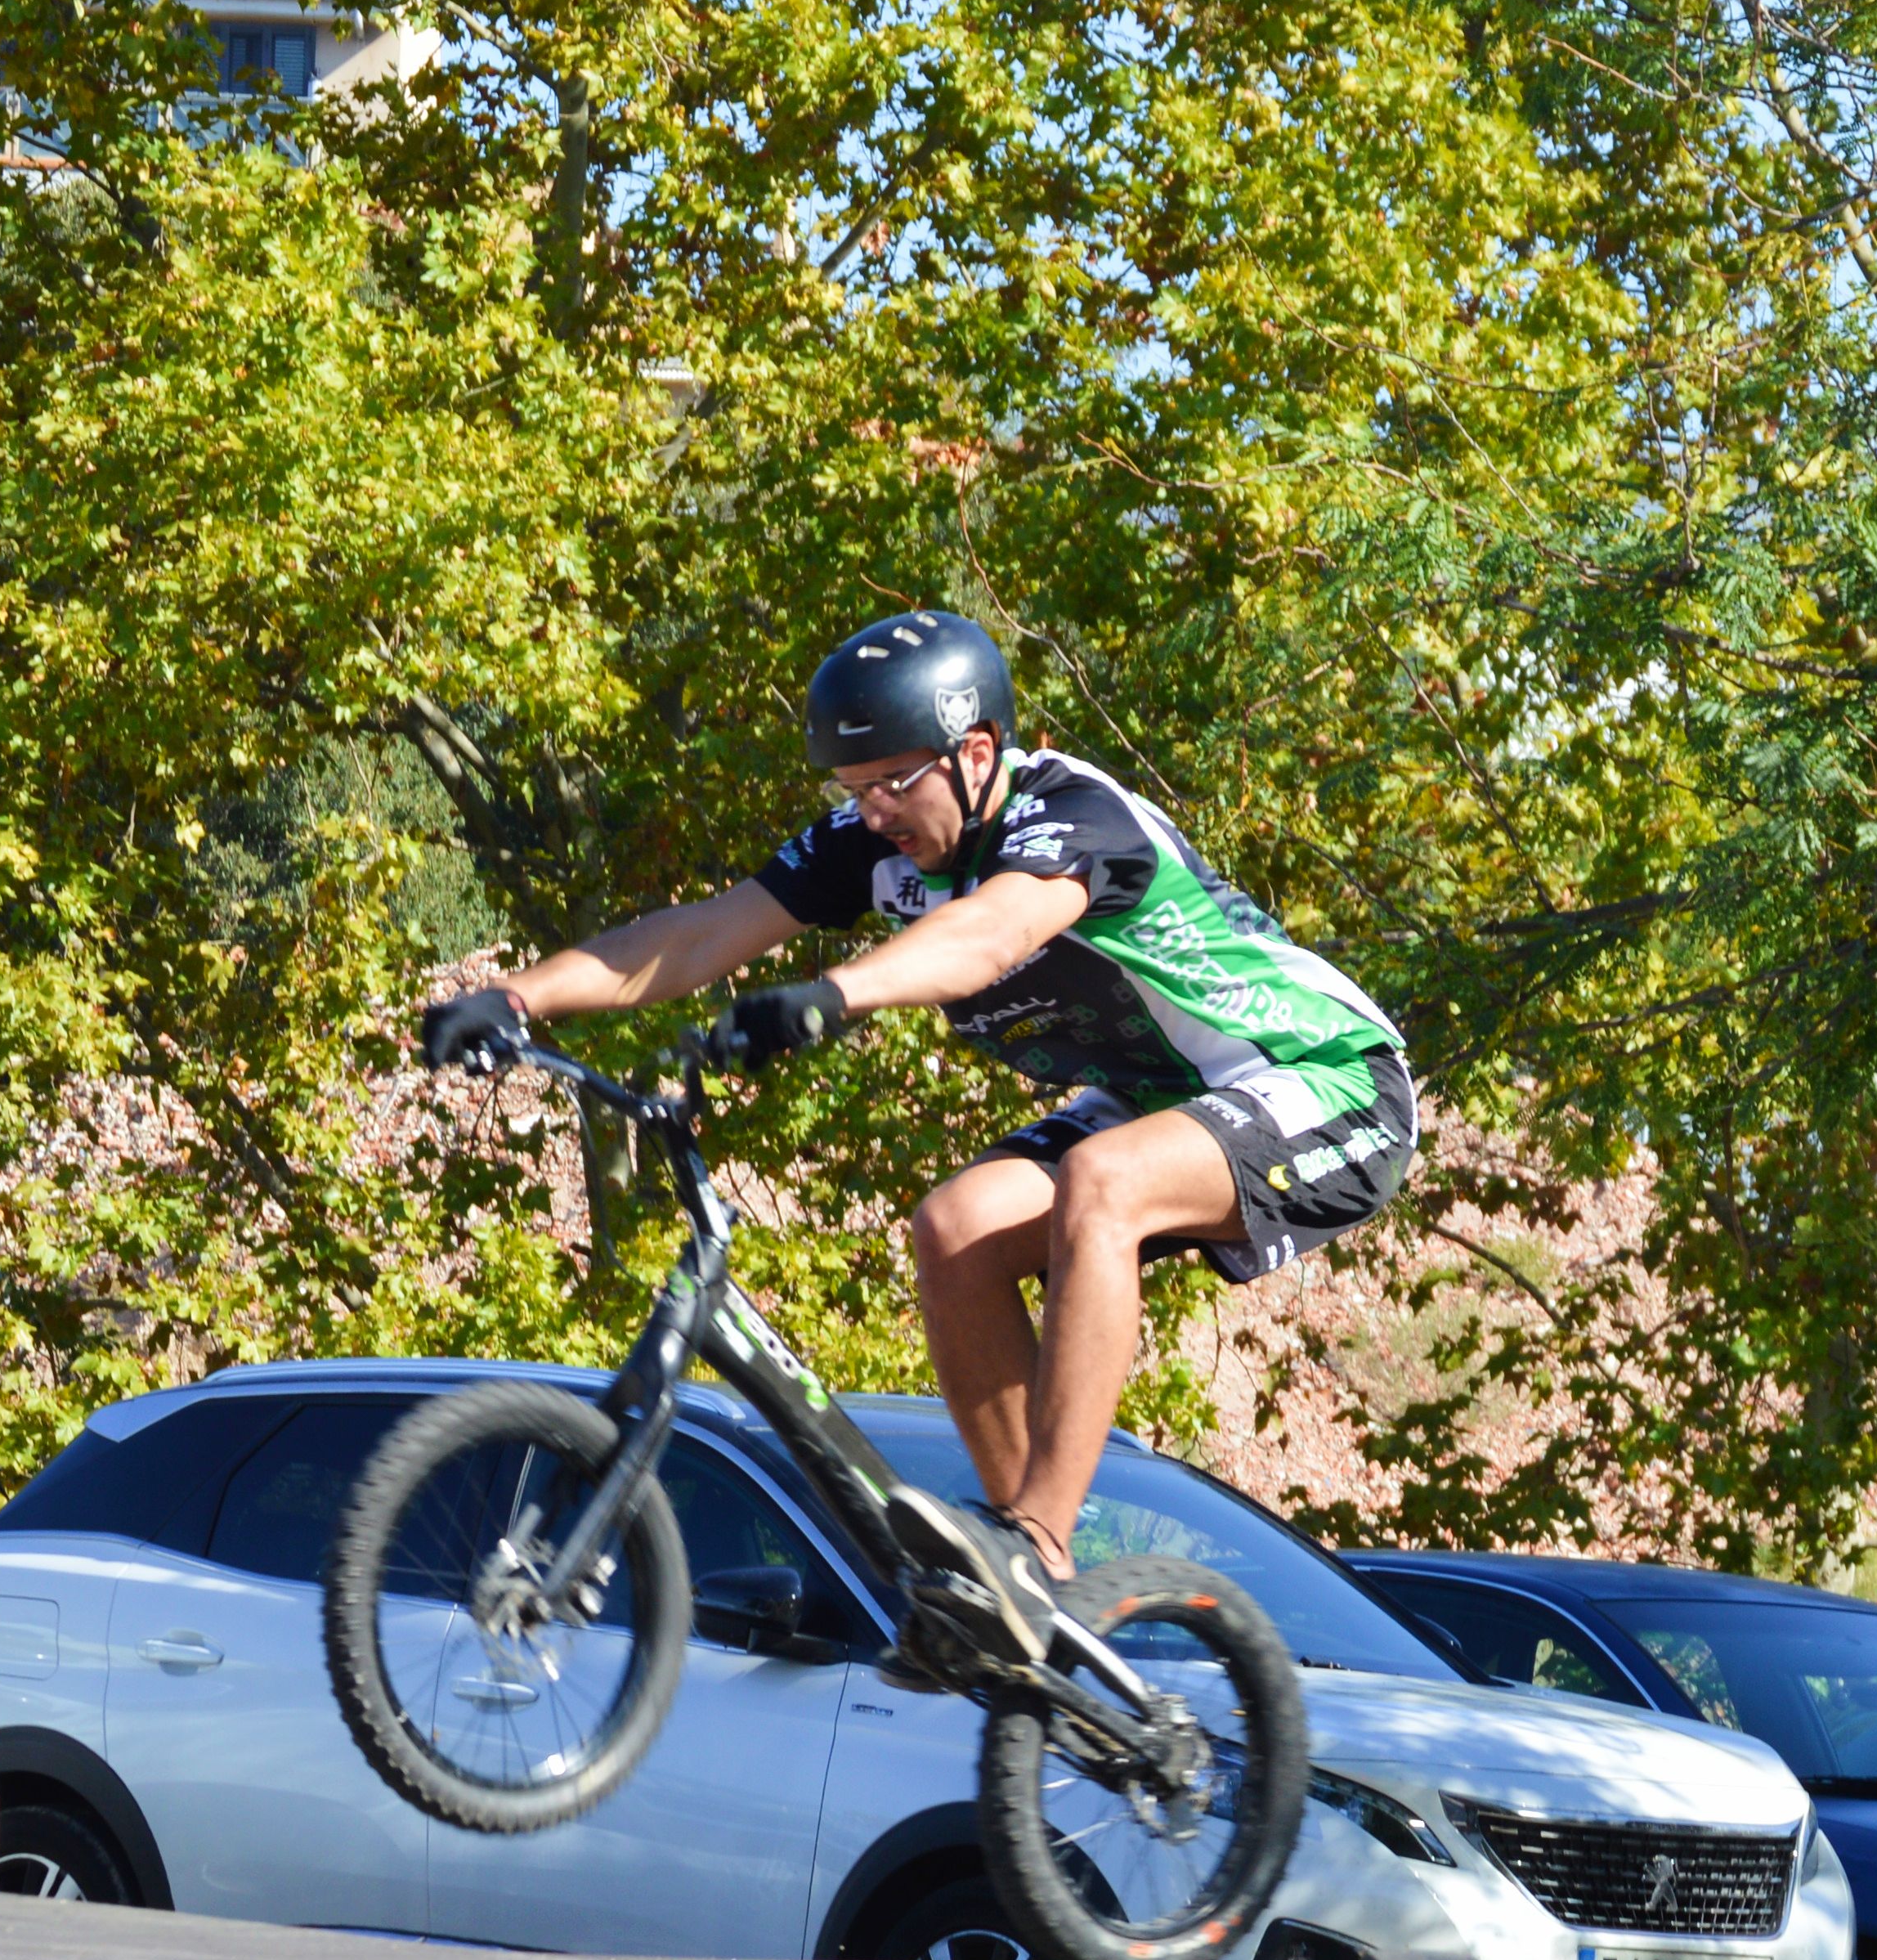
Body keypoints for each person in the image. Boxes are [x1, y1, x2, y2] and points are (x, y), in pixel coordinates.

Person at [422, 609, 1419, 1631]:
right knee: (953, 1230)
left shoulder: (1072, 813)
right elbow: (703, 932)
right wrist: (517, 997)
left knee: (1105, 1182)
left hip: (1327, 1078)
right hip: (1164, 1099)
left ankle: (1033, 1533)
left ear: (975, 751)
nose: (874, 813)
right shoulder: (873, 843)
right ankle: (1026, 1586)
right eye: (852, 790)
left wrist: (834, 996)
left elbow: (990, 933)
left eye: (894, 783)